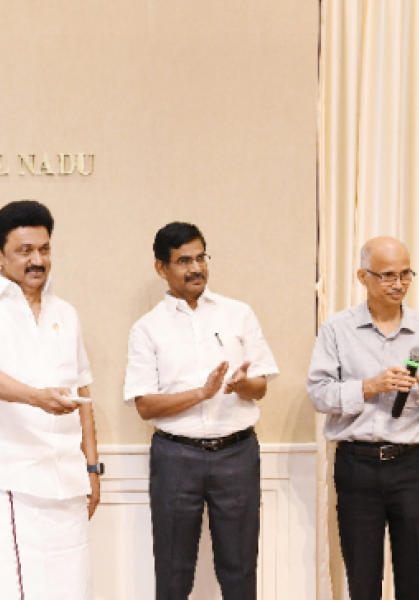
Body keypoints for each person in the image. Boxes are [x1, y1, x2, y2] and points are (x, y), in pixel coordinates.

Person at [124, 222, 279, 600]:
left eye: (201, 258)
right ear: (161, 268)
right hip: (176, 457)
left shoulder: (239, 314)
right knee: (173, 572)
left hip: (237, 453)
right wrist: (202, 394)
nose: (196, 269)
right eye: (184, 261)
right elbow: (144, 405)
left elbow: (260, 385)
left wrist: (243, 385)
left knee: (240, 569)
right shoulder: (147, 328)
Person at [0, 200, 101, 600]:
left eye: (44, 249)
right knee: (9, 590)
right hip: (10, 479)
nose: (37, 260)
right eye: (25, 251)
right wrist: (39, 398)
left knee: (72, 589)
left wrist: (92, 468)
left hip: (67, 479)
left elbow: (83, 392)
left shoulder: (66, 313)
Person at [306, 237, 419, 600]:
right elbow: (318, 393)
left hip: (410, 466)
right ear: (363, 277)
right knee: (363, 580)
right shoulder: (337, 330)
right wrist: (369, 387)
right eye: (388, 275)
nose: (399, 283)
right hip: (356, 466)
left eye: (406, 274)